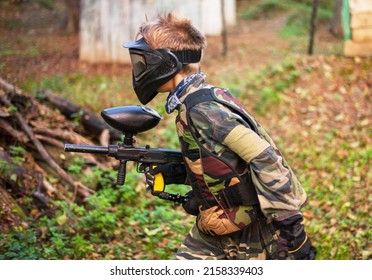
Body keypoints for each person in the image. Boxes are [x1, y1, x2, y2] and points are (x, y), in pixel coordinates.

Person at [123, 13, 316, 260]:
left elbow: (265, 157)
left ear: (166, 64)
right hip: (220, 222)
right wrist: (183, 172)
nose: (141, 68)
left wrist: (291, 231)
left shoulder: (201, 110)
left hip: (251, 232)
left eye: (145, 61)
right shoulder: (200, 98)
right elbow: (225, 162)